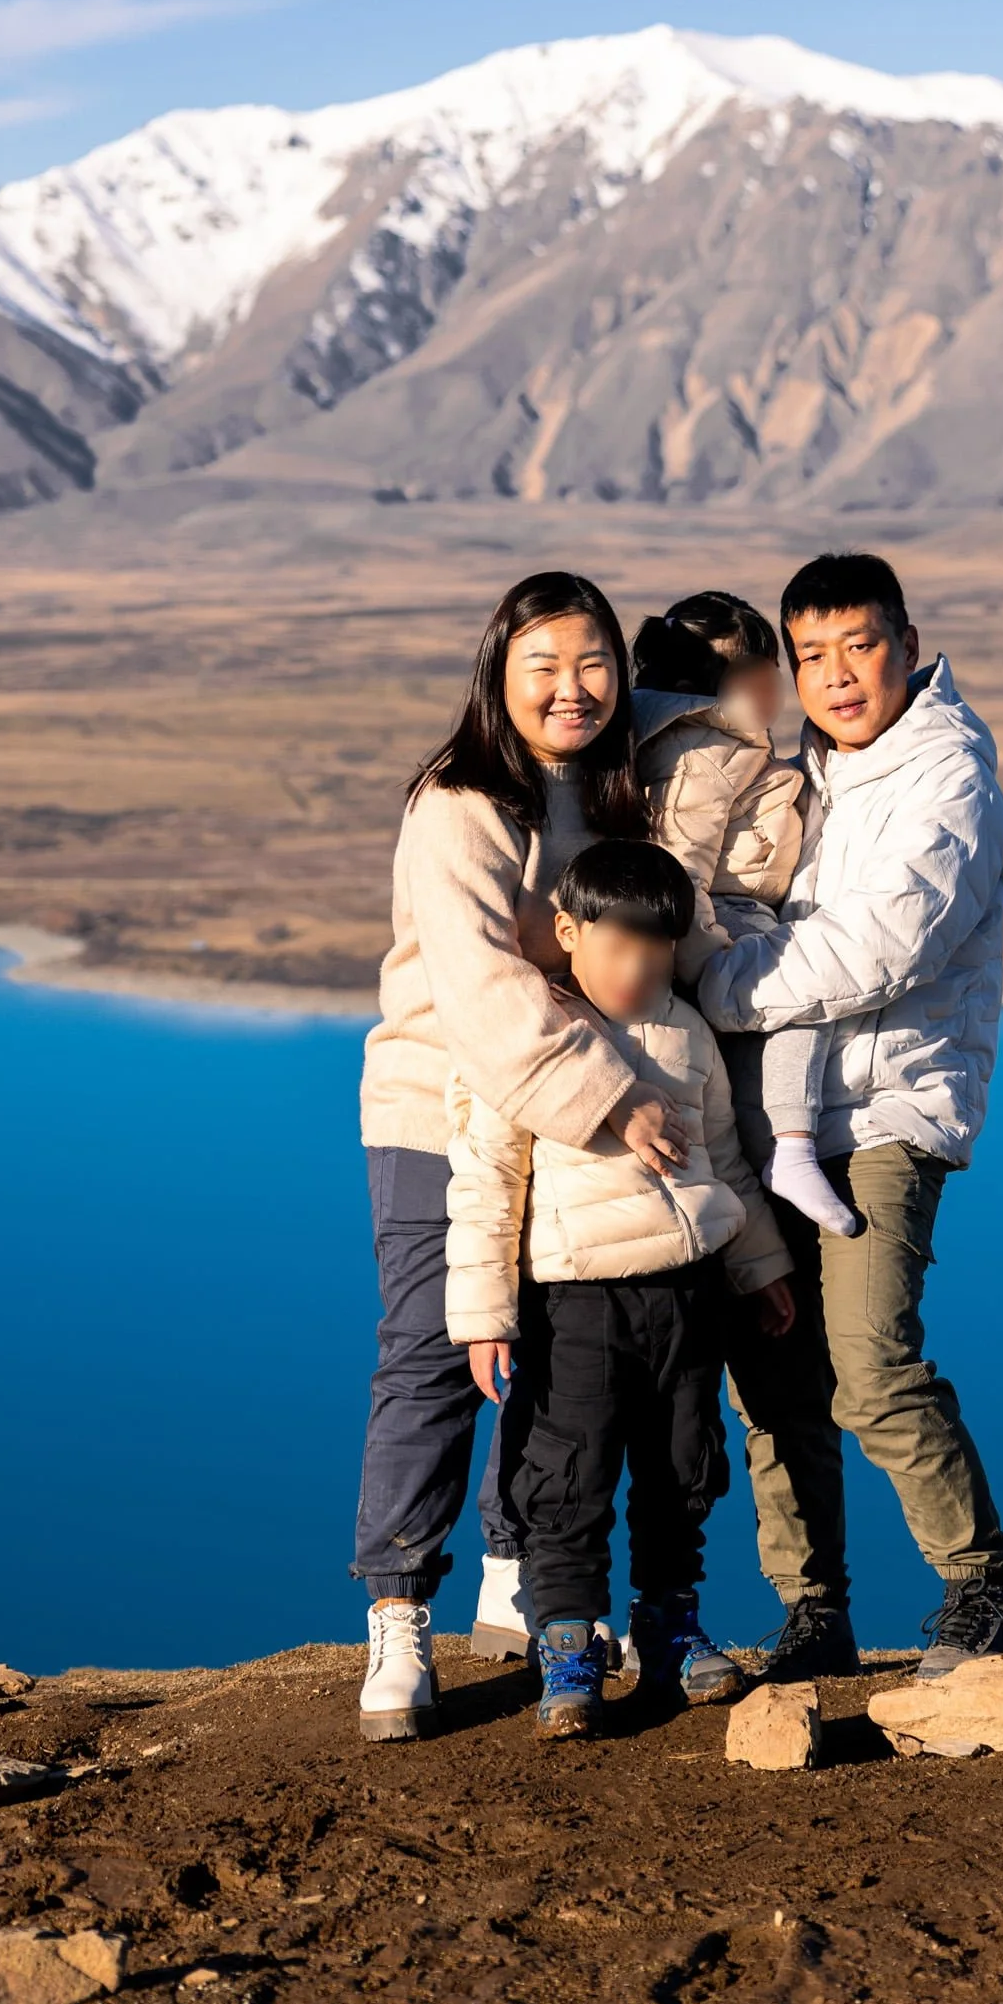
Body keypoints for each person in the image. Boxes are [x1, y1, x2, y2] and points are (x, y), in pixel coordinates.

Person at [352, 571, 692, 1742]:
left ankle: (514, 1569)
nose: (570, 687)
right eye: (540, 664)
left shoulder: (609, 791)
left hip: (551, 1117)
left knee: (547, 1351)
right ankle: (397, 1610)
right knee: (432, 1354)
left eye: (592, 662)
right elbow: (485, 987)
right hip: (434, 1108)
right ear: (497, 673)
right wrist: (610, 1100)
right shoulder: (460, 803)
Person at [698, 550, 1003, 1686]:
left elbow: (886, 946)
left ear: (904, 641)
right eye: (811, 656)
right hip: (780, 1116)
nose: (837, 677)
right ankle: (812, 1609)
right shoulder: (809, 774)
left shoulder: (947, 775)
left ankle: (976, 1587)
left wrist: (721, 988)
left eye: (859, 646)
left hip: (890, 1110)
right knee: (776, 1382)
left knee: (870, 1364)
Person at [446, 841, 795, 1739]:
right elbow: (487, 1187)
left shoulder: (688, 1035)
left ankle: (669, 1626)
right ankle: (567, 1646)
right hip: (575, 1307)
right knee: (568, 1474)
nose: (640, 967)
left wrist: (760, 1269)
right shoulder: (531, 1043)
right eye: (619, 945)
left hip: (688, 1295)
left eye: (659, 949)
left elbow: (725, 1162)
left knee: (684, 1468)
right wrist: (484, 1319)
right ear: (567, 932)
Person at [630, 592, 859, 1238]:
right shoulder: (705, 754)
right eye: (767, 676)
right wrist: (716, 967)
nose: (779, 689)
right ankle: (791, 1145)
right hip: (721, 917)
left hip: (724, 911)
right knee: (802, 989)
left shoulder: (714, 743)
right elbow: (680, 868)